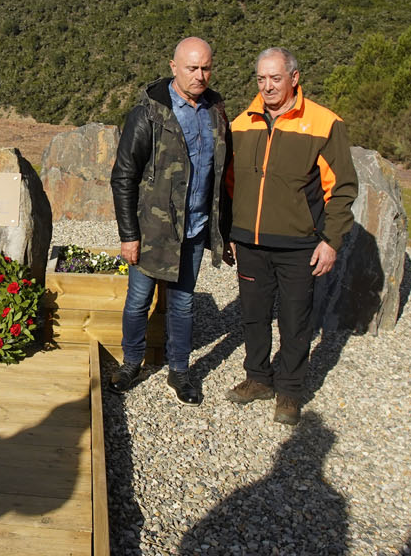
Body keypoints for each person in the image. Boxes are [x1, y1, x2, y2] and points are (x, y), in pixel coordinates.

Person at [224, 47, 357, 424]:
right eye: (261, 79)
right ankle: (257, 378)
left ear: (294, 78)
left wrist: (331, 241)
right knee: (253, 314)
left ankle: (290, 392)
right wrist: (233, 231)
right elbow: (230, 185)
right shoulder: (240, 124)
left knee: (296, 320)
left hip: (300, 244)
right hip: (250, 242)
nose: (267, 86)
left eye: (275, 78)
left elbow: (342, 187)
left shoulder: (324, 124)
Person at [108, 36, 233, 404]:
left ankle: (180, 371)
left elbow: (223, 174)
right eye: (192, 68)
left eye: (206, 67)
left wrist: (223, 232)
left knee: (182, 303)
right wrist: (128, 235)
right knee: (137, 302)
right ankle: (131, 362)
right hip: (151, 231)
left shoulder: (216, 110)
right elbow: (124, 176)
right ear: (173, 67)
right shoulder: (148, 112)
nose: (200, 75)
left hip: (193, 230)